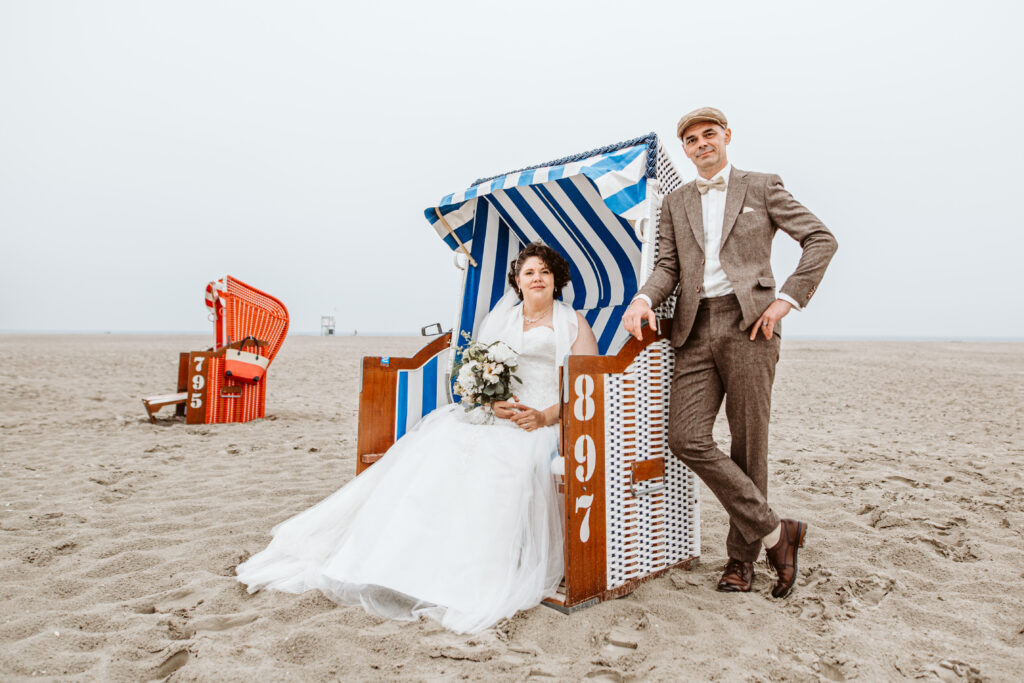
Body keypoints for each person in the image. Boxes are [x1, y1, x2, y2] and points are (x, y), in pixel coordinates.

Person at [237, 242, 599, 633]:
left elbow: (588, 388)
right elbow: (478, 379)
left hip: (545, 422)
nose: (537, 278)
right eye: (529, 272)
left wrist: (544, 416)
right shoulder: (500, 321)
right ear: (517, 281)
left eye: (545, 271)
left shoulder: (573, 323)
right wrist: (492, 405)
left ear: (556, 279)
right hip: (498, 416)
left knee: (501, 459)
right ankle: (405, 561)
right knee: (442, 446)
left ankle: (471, 571)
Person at [622, 107, 837, 598]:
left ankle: (741, 561)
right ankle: (777, 532)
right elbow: (667, 268)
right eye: (692, 139)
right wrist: (642, 300)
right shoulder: (675, 202)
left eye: (709, 134)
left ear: (726, 136)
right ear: (685, 149)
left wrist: (787, 300)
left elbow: (821, 239)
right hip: (695, 329)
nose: (702, 143)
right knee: (686, 437)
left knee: (748, 443)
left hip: (751, 326)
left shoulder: (761, 186)